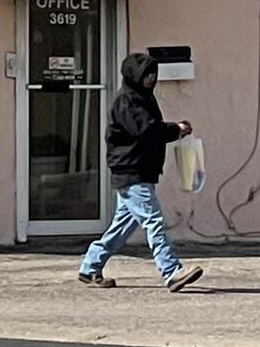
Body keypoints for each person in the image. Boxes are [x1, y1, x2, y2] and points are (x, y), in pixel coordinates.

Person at [78, 52, 203, 291]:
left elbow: (151, 129)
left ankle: (90, 266)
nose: (151, 79)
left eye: (153, 74)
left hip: (137, 171)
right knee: (153, 220)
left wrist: (175, 130)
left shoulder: (142, 98)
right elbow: (147, 130)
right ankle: (171, 271)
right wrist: (175, 129)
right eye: (146, 75)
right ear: (135, 76)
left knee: (121, 226)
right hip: (132, 172)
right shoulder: (127, 102)